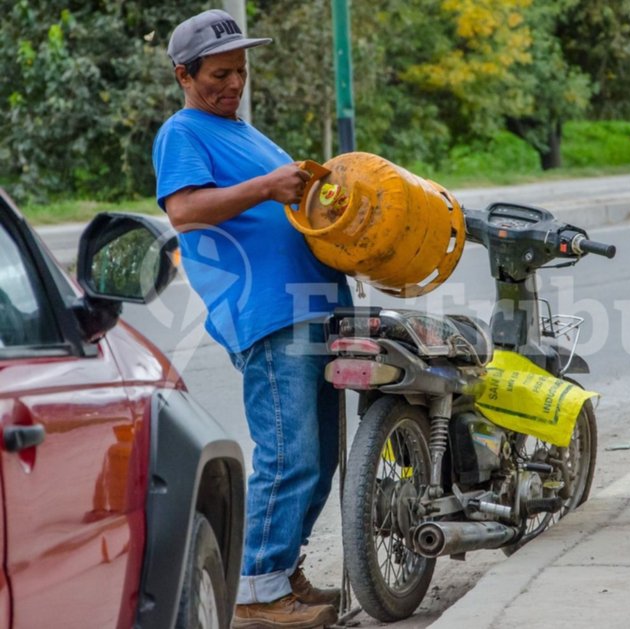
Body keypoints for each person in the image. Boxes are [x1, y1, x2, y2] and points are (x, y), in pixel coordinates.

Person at [152, 10, 351, 629]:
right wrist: (269, 186)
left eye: (239, 71)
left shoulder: (251, 136)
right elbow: (185, 211)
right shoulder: (183, 133)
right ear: (184, 75)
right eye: (218, 73)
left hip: (317, 307)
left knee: (319, 461)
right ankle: (256, 596)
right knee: (289, 456)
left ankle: (280, 572)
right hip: (270, 316)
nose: (233, 83)